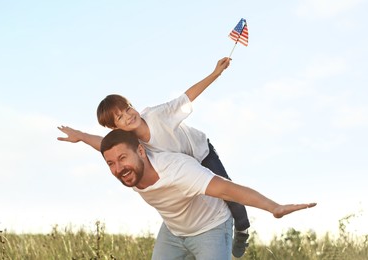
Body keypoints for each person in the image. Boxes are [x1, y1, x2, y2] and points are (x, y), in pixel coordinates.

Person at [57, 57, 252, 257]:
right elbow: (103, 144)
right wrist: (80, 136)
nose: (129, 116)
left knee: (228, 191)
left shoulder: (158, 115)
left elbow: (186, 97)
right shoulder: (130, 141)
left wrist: (215, 74)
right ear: (115, 128)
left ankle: (242, 229)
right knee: (195, 200)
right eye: (120, 117)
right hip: (182, 170)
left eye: (128, 109)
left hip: (200, 153)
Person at [98, 129, 316, 259]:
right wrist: (80, 136)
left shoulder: (178, 171)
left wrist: (274, 207)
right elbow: (100, 144)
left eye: (122, 158)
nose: (118, 168)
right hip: (174, 231)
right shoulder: (128, 167)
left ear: (141, 151)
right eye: (111, 163)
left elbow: (229, 189)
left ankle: (240, 236)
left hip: (209, 227)